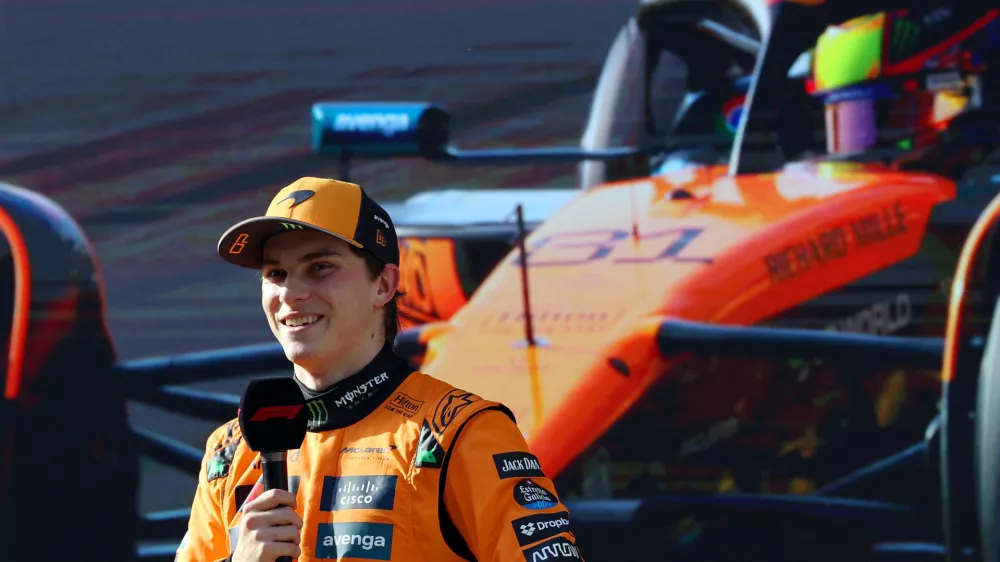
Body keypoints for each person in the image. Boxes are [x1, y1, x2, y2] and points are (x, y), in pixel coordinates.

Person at [174, 177, 583, 562]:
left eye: (320, 267)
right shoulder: (230, 449)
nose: (291, 293)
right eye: (275, 274)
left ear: (384, 286)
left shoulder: (461, 432)